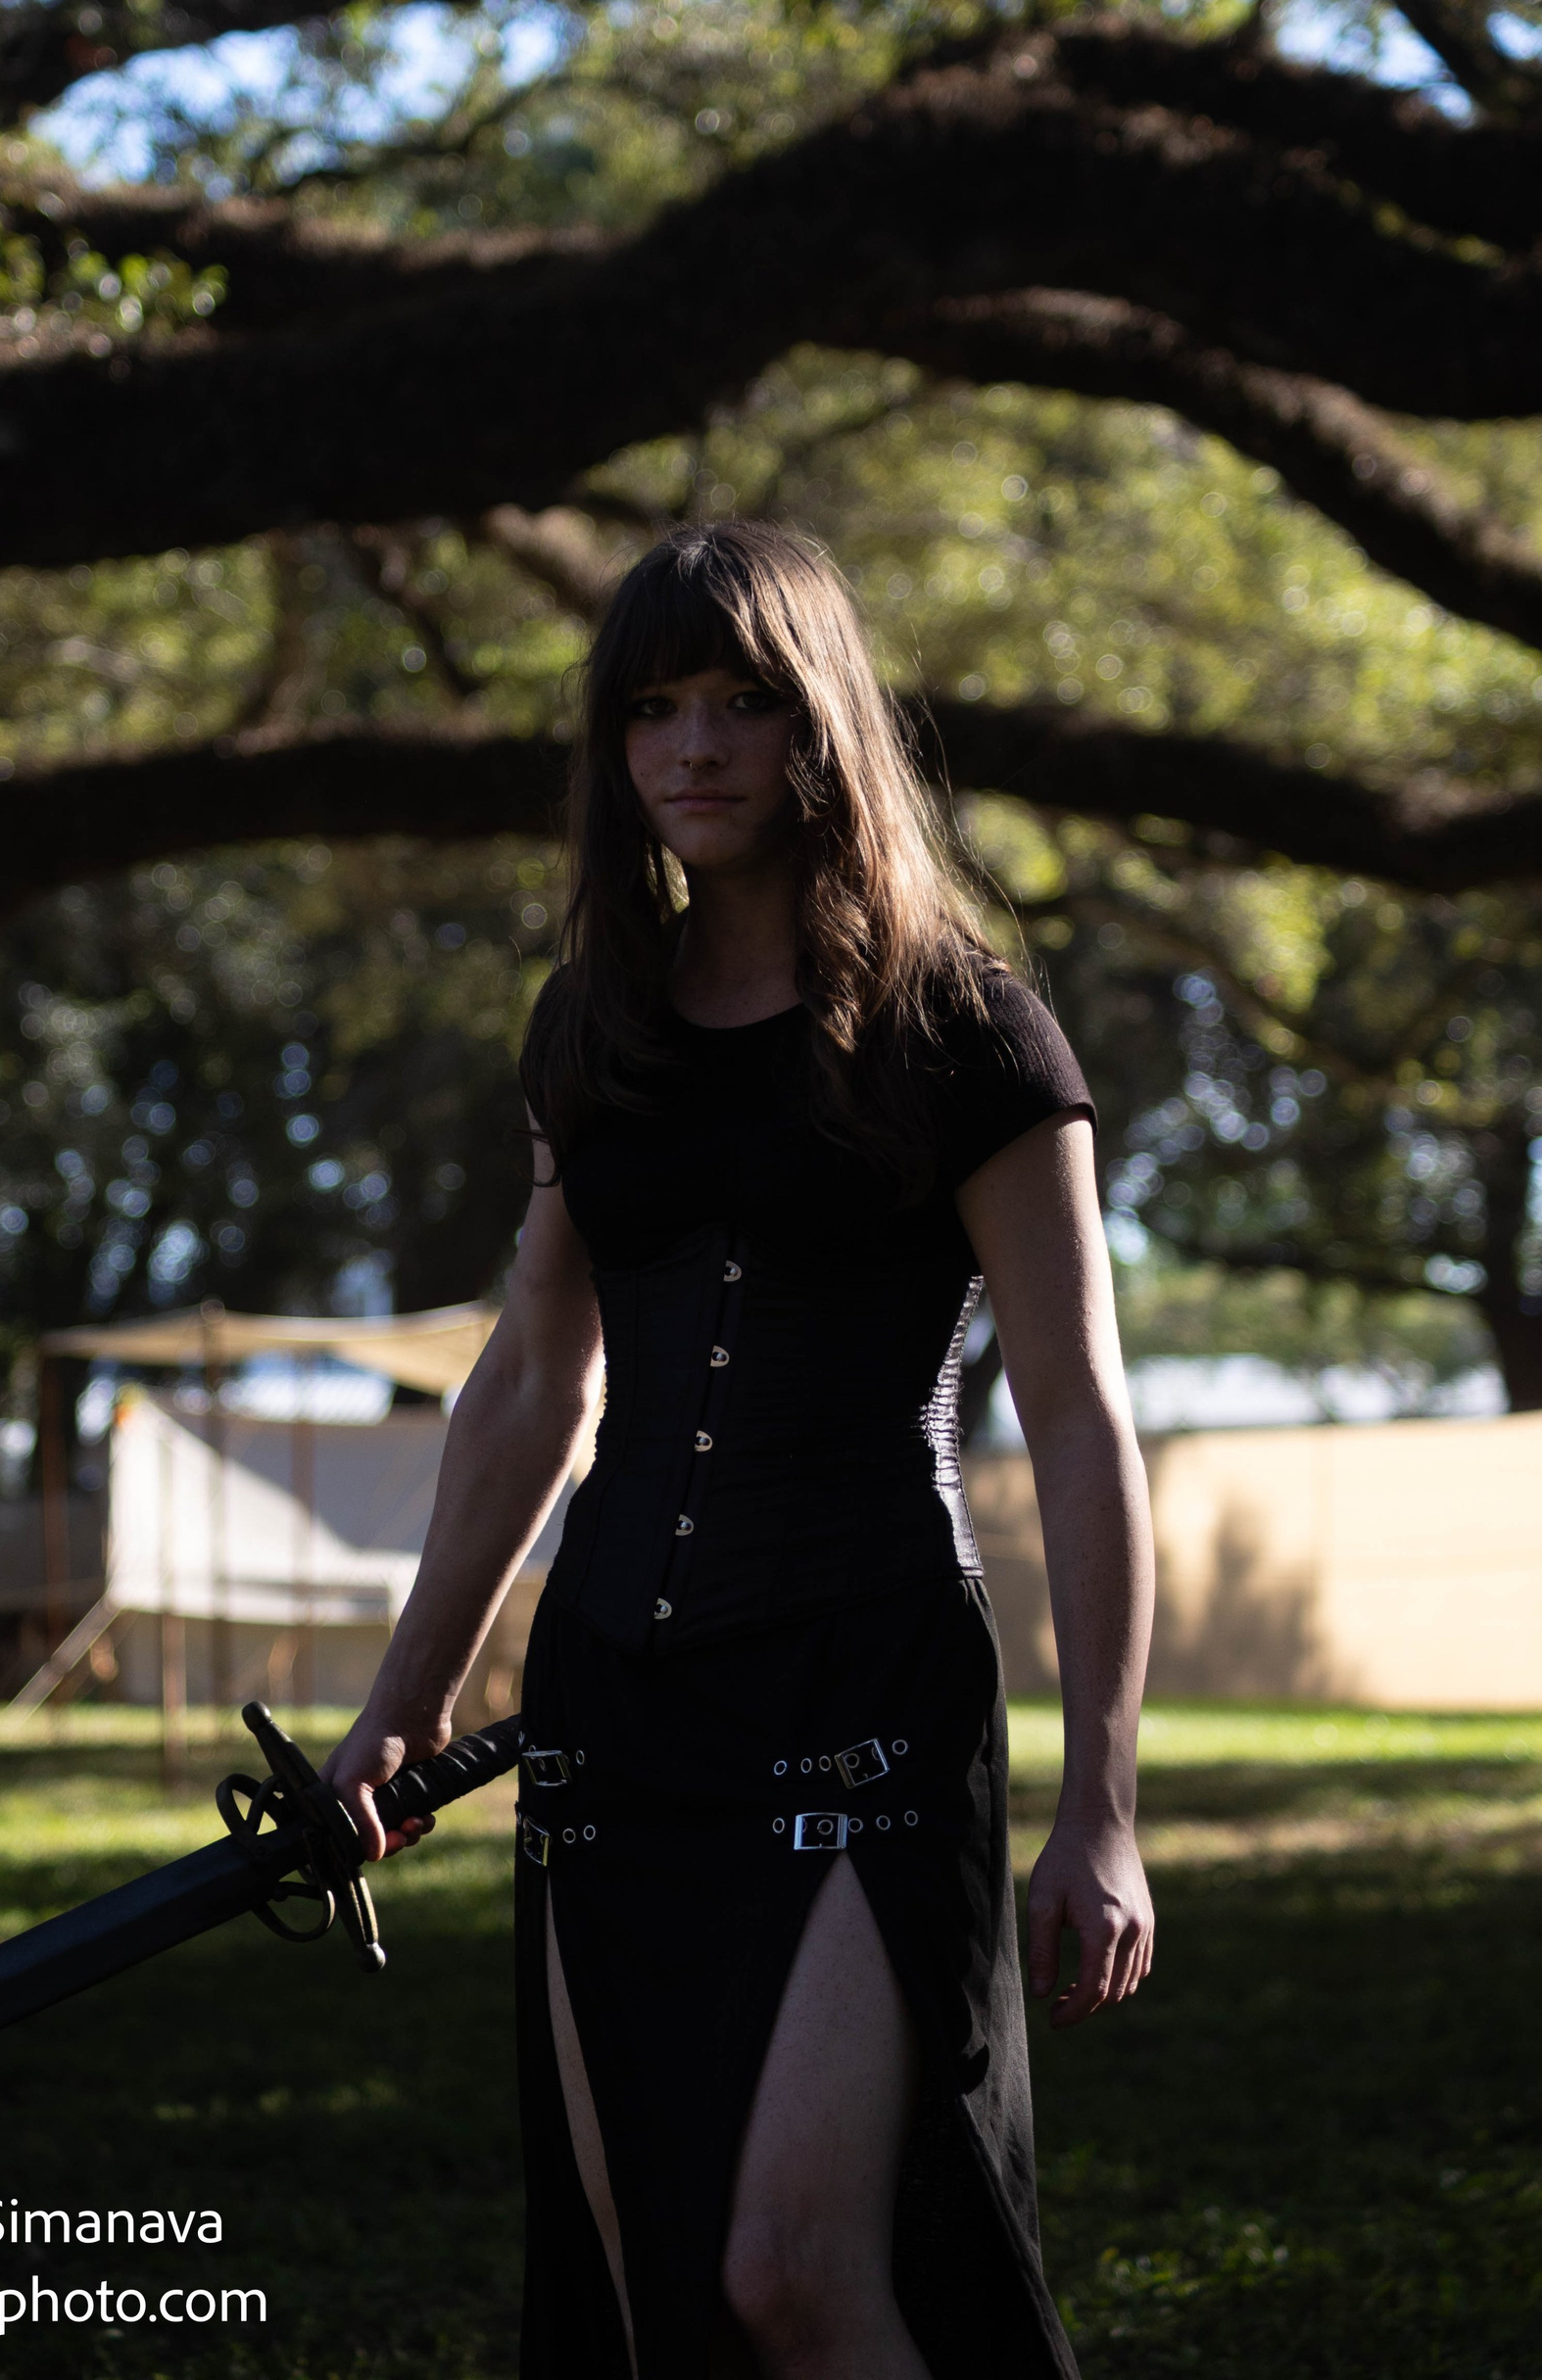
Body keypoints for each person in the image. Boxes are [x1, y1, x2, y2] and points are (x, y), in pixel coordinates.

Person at [330, 523, 1155, 2377]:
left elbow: (1080, 1410)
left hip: (867, 1681)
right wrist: (405, 1702)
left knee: (793, 2269)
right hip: (613, 1700)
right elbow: (534, 1384)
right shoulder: (593, 1029)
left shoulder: (967, 1030)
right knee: (650, 2291)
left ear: (823, 727)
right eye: (652, 709)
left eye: (741, 702)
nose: (693, 747)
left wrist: (1102, 1804)